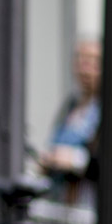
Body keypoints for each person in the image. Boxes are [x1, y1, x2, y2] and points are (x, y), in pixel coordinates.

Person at [39, 38, 102, 207]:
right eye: (80, 59)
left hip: (89, 205)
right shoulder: (71, 105)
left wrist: (75, 160)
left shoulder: (103, 110)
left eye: (92, 61)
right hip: (62, 204)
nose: (85, 68)